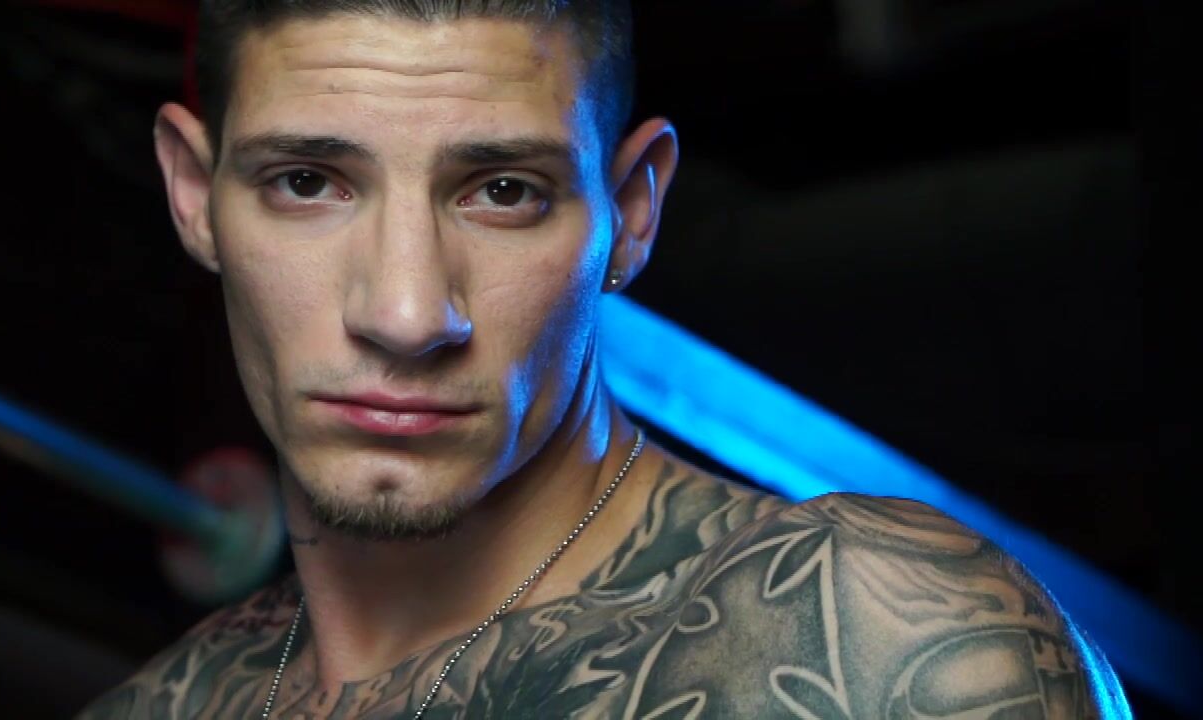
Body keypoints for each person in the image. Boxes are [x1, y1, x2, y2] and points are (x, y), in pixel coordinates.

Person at [79, 1, 1129, 717]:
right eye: (308, 182)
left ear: (631, 212)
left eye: (503, 191)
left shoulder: (876, 634)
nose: (405, 313)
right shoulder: (155, 707)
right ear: (193, 195)